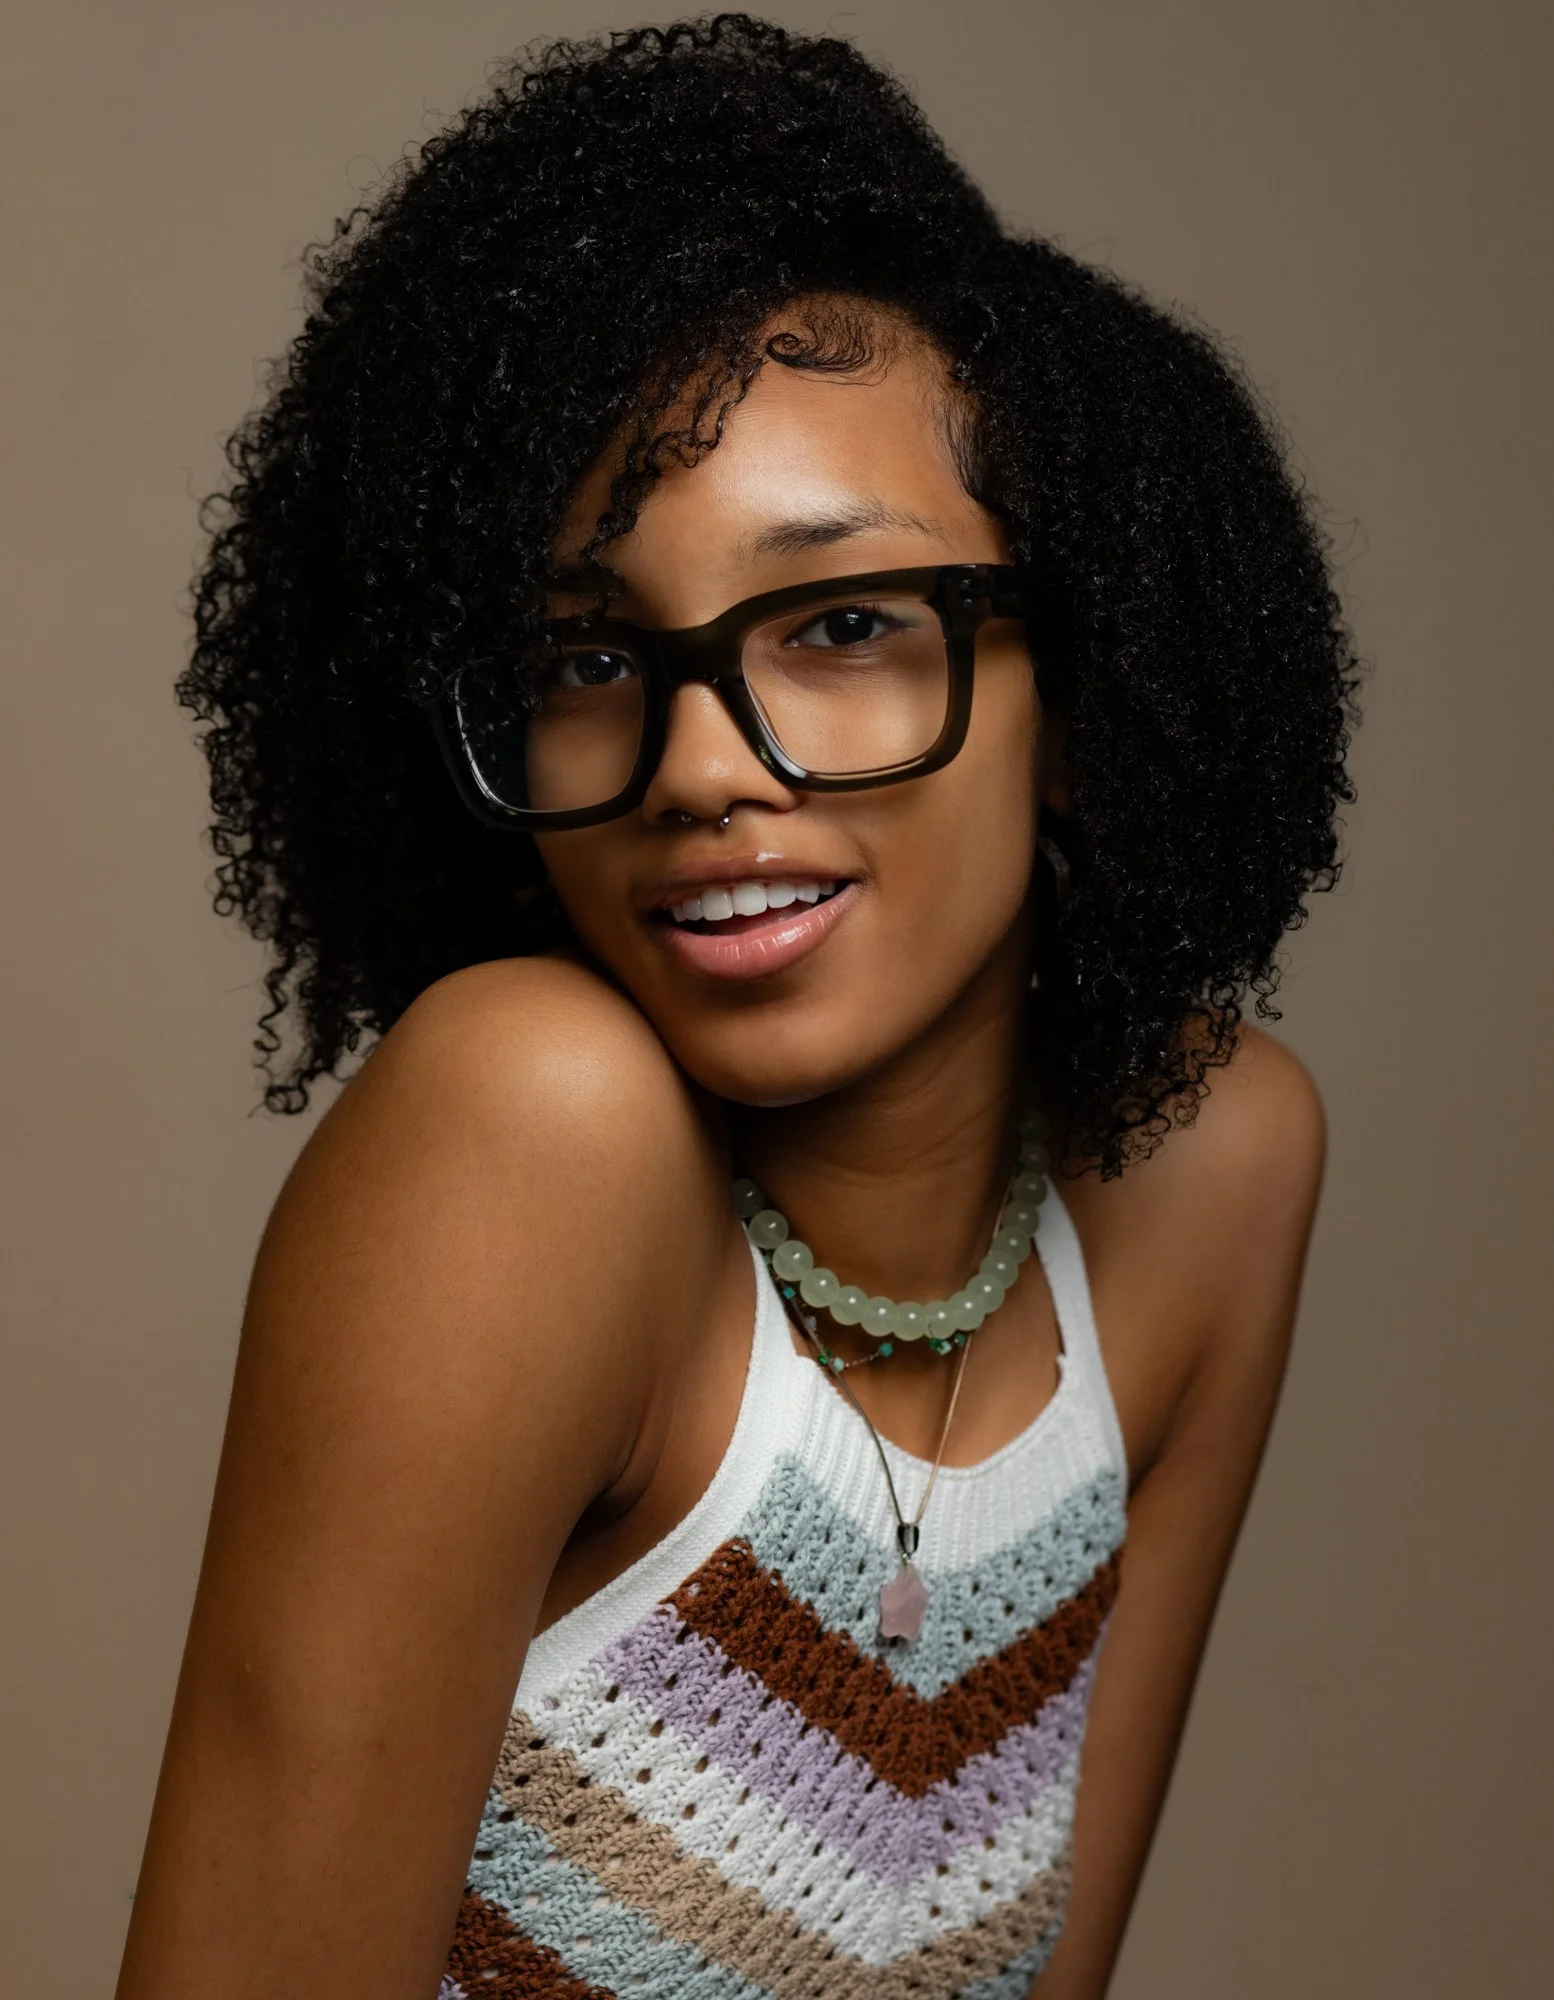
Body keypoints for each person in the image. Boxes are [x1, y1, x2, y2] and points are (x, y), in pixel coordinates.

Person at [117, 16, 1355, 2000]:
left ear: (1085, 685)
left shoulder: (1210, 1170)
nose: (701, 762)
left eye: (845, 621)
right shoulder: (534, 1126)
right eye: (594, 654)